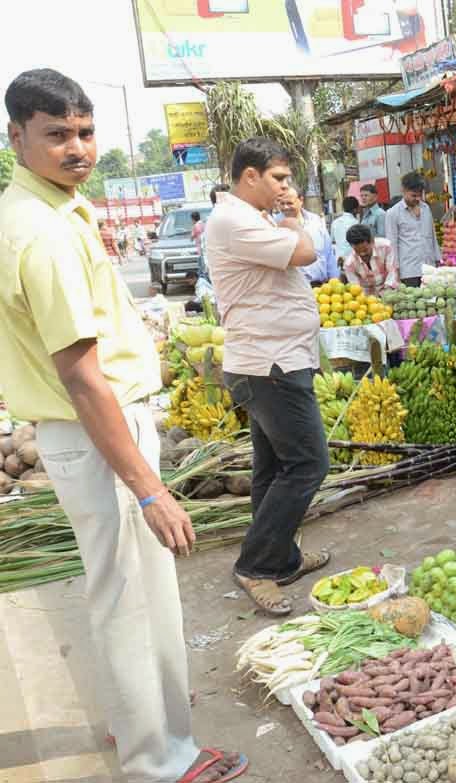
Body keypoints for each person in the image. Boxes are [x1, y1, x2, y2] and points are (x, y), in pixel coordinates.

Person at [0, 68, 247, 783]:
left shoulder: (47, 209)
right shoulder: (42, 232)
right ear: (17, 137)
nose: (76, 148)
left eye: (84, 132)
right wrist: (148, 488)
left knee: (127, 590)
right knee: (131, 596)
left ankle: (143, 719)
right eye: (56, 136)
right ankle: (160, 761)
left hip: (89, 432)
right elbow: (81, 373)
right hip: (97, 432)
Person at [205, 136, 331, 616]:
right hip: (271, 365)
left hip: (271, 361)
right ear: (249, 175)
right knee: (308, 464)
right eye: (279, 178)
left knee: (274, 468)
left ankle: (281, 558)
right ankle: (256, 566)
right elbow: (303, 253)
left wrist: (287, 217)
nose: (286, 188)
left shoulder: (250, 217)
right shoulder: (235, 221)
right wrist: (295, 218)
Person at [384, 172, 440, 287]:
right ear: (403, 190)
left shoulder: (426, 208)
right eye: (413, 195)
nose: (417, 198)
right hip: (409, 271)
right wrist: (396, 271)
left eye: (420, 195)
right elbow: (392, 244)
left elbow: (432, 235)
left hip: (429, 268)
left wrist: (437, 258)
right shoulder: (393, 213)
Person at [276, 189, 336, 286]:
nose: (285, 207)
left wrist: (334, 280)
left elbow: (328, 253)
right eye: (282, 203)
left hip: (323, 289)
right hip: (294, 289)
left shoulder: (315, 221)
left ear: (301, 200)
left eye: (289, 203)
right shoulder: (275, 224)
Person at [344, 223, 399, 295]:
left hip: (390, 293)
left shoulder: (386, 247)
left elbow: (392, 272)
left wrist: (385, 293)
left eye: (365, 250)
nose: (362, 254)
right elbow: (356, 288)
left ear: (372, 241)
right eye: (358, 251)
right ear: (352, 246)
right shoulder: (349, 264)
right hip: (368, 300)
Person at [331, 195, 360, 271]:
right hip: (352, 260)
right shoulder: (356, 223)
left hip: (338, 259)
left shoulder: (335, 222)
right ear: (355, 209)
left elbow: (332, 241)